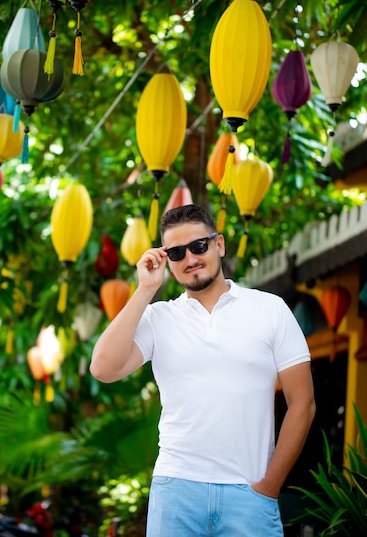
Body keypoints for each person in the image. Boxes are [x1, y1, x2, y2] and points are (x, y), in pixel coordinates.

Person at [90, 204, 316, 536]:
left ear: (219, 244)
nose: (190, 258)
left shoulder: (270, 309)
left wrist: (269, 486)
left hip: (250, 494)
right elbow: (102, 368)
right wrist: (145, 289)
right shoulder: (158, 317)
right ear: (167, 260)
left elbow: (303, 403)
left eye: (199, 246)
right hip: (176, 490)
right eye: (177, 252)